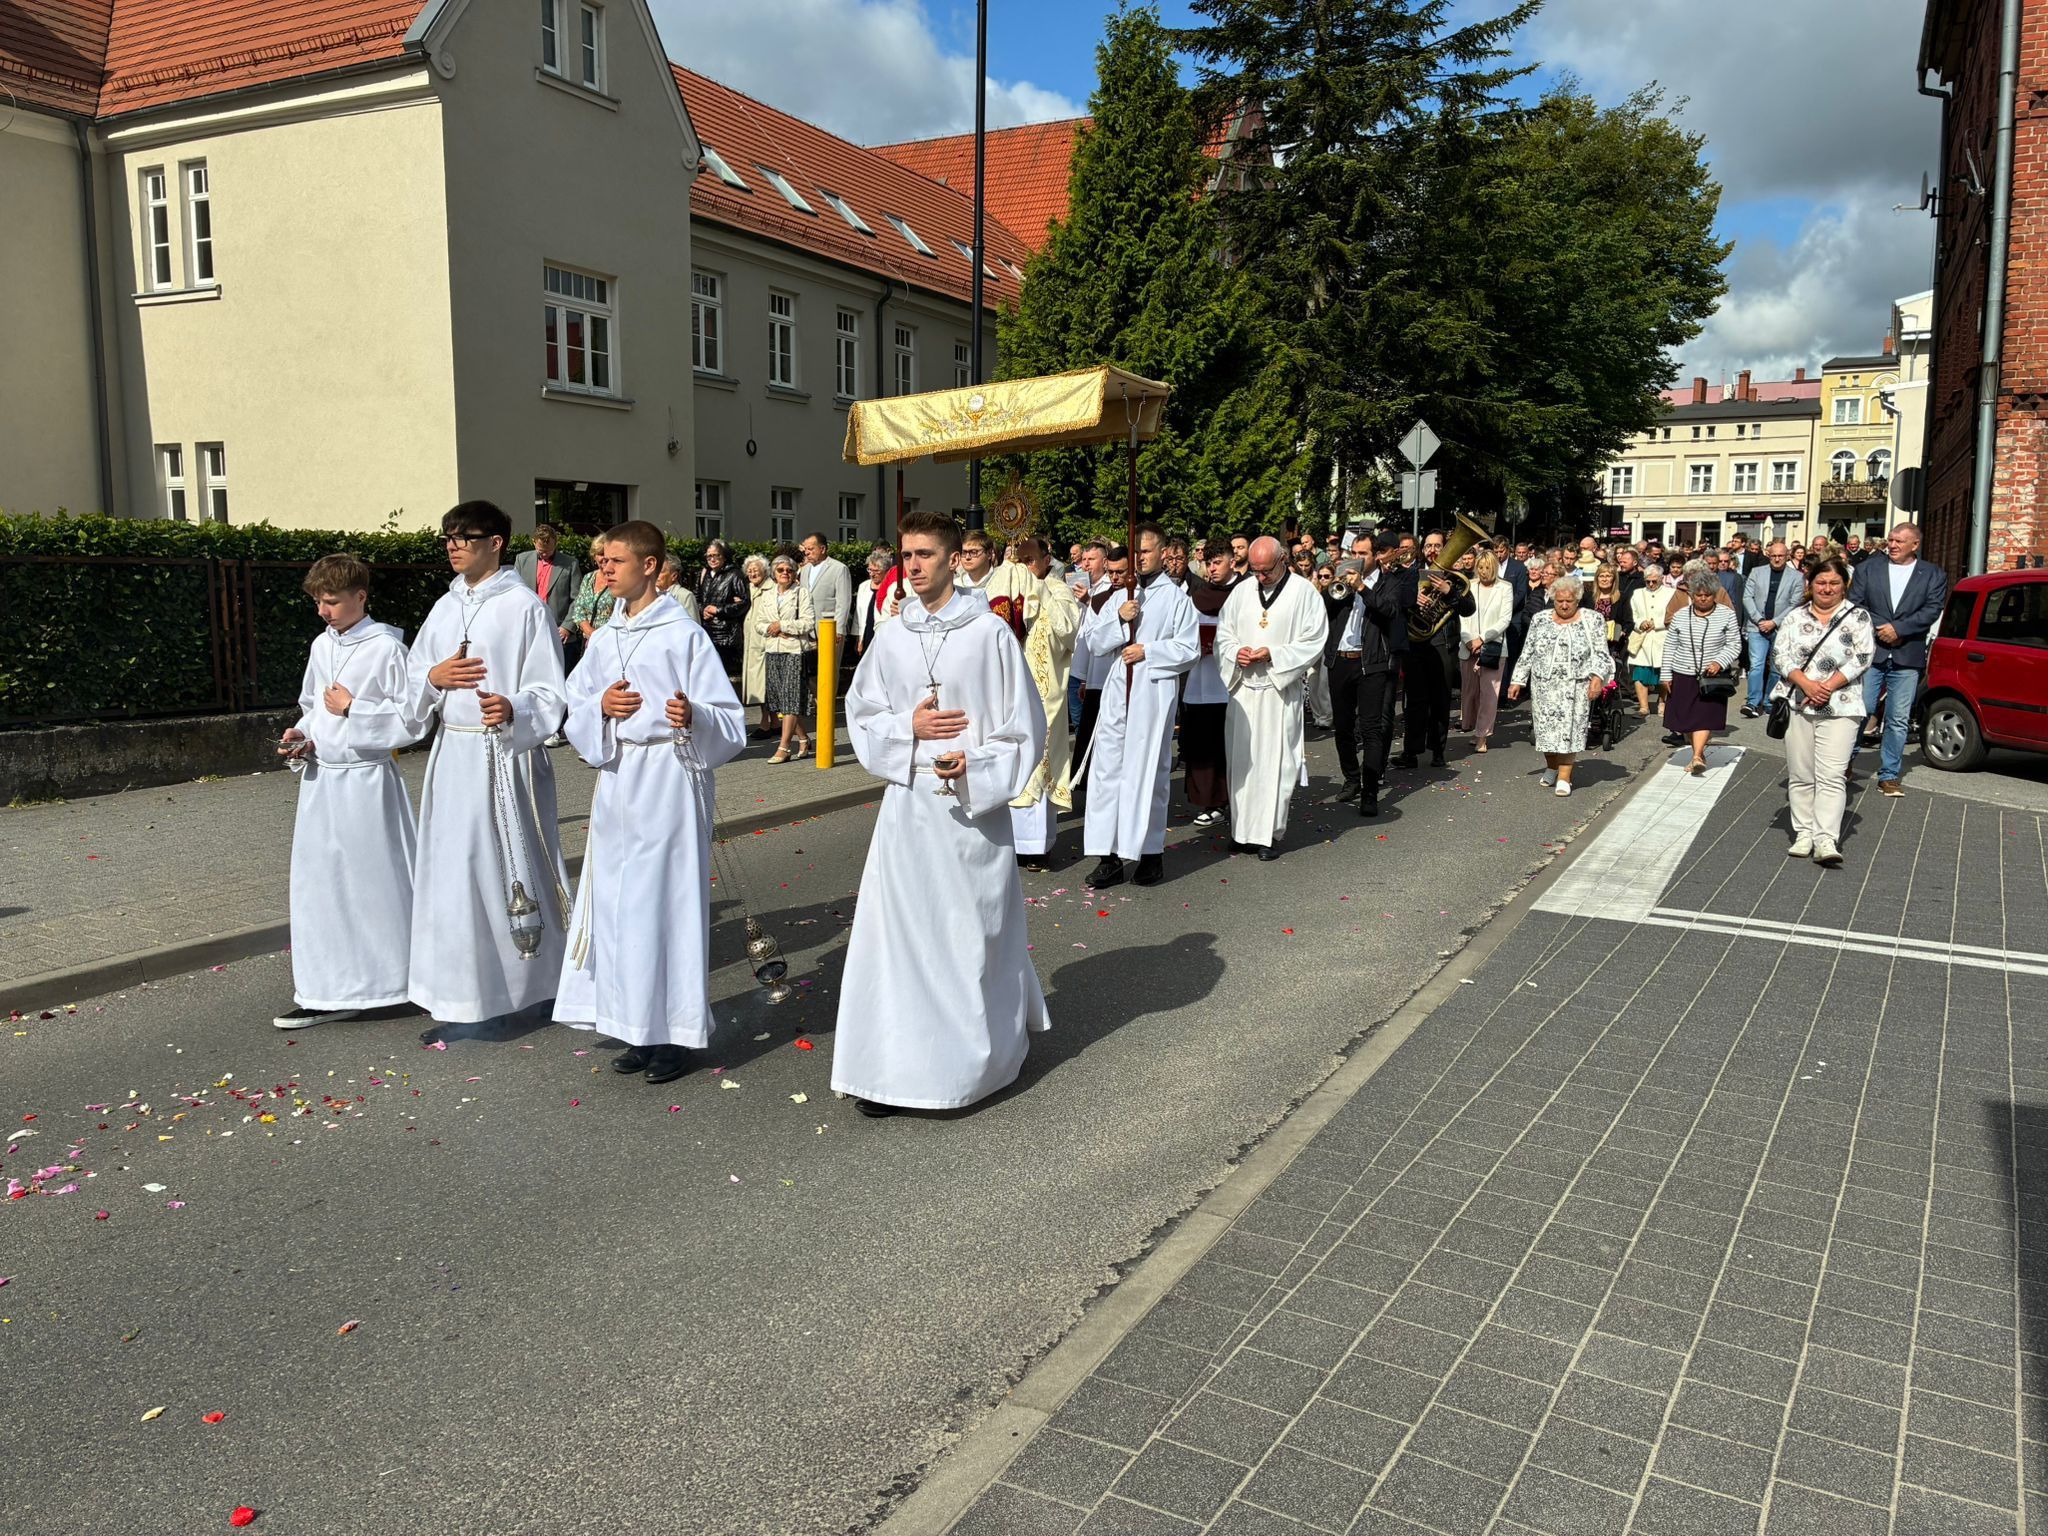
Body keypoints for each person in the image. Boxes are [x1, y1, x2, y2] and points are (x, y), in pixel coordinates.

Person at [832, 510, 1049, 1117]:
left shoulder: (990, 635)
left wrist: (972, 763)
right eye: (907, 554)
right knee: (898, 938)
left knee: (962, 936)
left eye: (926, 553)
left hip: (969, 814)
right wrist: (910, 726)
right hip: (907, 809)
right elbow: (864, 712)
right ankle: (891, 1069)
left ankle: (964, 1067)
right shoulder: (892, 634)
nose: (914, 565)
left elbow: (1022, 729)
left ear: (956, 559)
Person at [555, 522, 746, 1084]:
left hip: (669, 773)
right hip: (617, 776)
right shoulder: (607, 636)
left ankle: (673, 1034)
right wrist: (601, 708)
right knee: (617, 902)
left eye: (615, 561)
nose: (604, 569)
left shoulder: (682, 634)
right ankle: (633, 1024)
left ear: (650, 565)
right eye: (602, 561)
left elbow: (726, 719)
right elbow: (576, 703)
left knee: (664, 903)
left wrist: (696, 715)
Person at [404, 501, 571, 1028]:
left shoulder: (523, 606)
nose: (452, 545)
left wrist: (514, 708)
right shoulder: (444, 607)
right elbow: (412, 680)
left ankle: (532, 983)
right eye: (447, 536)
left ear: (496, 542)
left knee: (506, 865)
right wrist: (434, 677)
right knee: (454, 871)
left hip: (503, 754)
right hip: (453, 753)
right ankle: (461, 988)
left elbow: (549, 689)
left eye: (463, 536)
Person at [273, 554, 421, 1030]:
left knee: (374, 886)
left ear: (361, 596)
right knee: (322, 889)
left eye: (332, 601)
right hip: (323, 780)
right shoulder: (322, 645)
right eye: (318, 601)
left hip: (368, 782)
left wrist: (355, 709)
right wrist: (303, 735)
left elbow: (412, 722)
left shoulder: (387, 649)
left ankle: (397, 982)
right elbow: (314, 705)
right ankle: (327, 988)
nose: (323, 611)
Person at [1080, 525, 1199, 887]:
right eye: (1135, 552)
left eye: (1146, 551)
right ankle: (1109, 855)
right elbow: (1094, 642)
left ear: (1162, 553)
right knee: (1107, 771)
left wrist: (1149, 650)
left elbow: (1189, 649)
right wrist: (1120, 619)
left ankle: (1150, 854)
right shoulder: (1120, 596)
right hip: (1118, 691)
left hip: (1152, 691)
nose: (1140, 558)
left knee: (1148, 772)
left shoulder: (1177, 599)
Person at [1216, 535, 1328, 860]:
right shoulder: (1241, 591)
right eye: (1255, 570)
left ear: (1282, 561)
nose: (1260, 577)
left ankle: (1267, 835)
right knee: (1242, 763)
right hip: (1245, 693)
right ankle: (1241, 832)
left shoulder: (1304, 593)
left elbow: (1314, 639)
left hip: (1279, 692)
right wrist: (1237, 652)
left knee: (1276, 764)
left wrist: (1274, 655)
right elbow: (1224, 632)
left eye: (1266, 570)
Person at [1773, 557, 1876, 867]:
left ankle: (1825, 838)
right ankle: (1803, 833)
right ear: (1810, 585)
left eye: (1833, 583)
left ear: (1844, 585)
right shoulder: (1795, 617)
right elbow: (1781, 655)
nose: (1827, 588)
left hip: (1842, 705)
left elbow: (1863, 656)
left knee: (1831, 775)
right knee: (1801, 773)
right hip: (1799, 703)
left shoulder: (1858, 617)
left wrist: (1827, 686)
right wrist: (1806, 683)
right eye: (1821, 582)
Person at [989, 537, 1079, 871]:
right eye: (1020, 559)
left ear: (1046, 559)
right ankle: (1009, 842)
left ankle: (1036, 846)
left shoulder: (1058, 589)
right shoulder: (1008, 585)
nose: (1026, 566)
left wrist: (1039, 593)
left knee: (1038, 758)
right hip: (1010, 688)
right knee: (1012, 755)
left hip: (1045, 688)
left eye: (1031, 560)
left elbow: (1070, 630)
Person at [1849, 523, 1949, 796]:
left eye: (1899, 541)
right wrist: (1885, 629)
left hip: (1907, 654)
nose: (1892, 545)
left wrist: (1901, 630)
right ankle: (1846, 761)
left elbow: (1932, 609)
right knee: (1861, 709)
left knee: (1898, 718)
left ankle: (1889, 774)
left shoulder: (1932, 574)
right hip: (1873, 651)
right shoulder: (1868, 569)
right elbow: (1856, 603)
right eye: (1890, 540)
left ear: (1914, 545)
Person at [1507, 575, 1613, 797]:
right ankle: (1552, 766)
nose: (1564, 605)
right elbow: (1528, 651)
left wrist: (1596, 679)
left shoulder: (1592, 619)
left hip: (1576, 685)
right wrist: (1517, 680)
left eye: (1570, 601)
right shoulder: (1540, 619)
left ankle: (1565, 776)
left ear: (1578, 600)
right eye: (1559, 601)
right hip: (1544, 685)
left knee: (1570, 731)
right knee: (1545, 732)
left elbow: (1602, 654)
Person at [1394, 544, 1473, 768]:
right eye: (1428, 545)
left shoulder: (1457, 580)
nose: (1433, 550)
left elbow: (1469, 608)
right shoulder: (1410, 574)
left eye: (1438, 545)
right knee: (1414, 701)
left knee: (1440, 699)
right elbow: (1396, 601)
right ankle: (1411, 751)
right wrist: (1411, 597)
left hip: (1442, 645)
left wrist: (1450, 592)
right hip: (1415, 644)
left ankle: (1438, 750)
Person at [1661, 569, 1741, 775]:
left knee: (1704, 717)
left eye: (1707, 595)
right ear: (1692, 595)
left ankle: (1697, 756)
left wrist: (1719, 662)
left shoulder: (1727, 614)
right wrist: (1665, 674)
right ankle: (1699, 750)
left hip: (1712, 677)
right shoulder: (1680, 616)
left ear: (1714, 595)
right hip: (1682, 672)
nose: (1703, 599)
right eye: (1699, 595)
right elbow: (1670, 646)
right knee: (1685, 721)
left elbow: (1734, 644)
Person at [1182, 543, 1237, 830]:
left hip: (1231, 681)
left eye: (1218, 562)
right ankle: (1211, 801)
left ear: (1232, 561)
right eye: (1209, 563)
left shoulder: (1244, 592)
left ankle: (1233, 797)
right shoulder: (1197, 595)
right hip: (1201, 677)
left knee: (1228, 743)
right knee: (1203, 742)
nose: (1212, 568)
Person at [757, 552, 817, 763]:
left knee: (791, 698)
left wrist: (783, 625)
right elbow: (759, 623)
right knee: (782, 701)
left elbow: (809, 623)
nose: (785, 573)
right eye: (781, 570)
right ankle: (803, 739)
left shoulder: (802, 593)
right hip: (773, 649)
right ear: (774, 573)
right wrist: (771, 629)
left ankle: (784, 747)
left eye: (789, 570)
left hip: (794, 650)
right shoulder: (767, 594)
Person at [1740, 540, 1805, 721]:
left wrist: (1775, 622)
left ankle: (1770, 700)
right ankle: (1753, 701)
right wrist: (1759, 620)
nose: (1777, 559)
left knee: (1777, 668)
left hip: (1781, 628)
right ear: (1769, 555)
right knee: (1756, 666)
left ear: (1787, 556)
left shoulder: (1796, 577)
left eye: (1781, 556)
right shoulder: (1757, 572)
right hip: (1757, 626)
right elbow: (1747, 596)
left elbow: (1795, 604)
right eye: (1774, 555)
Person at [1458, 548, 1513, 753]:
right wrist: (1469, 640)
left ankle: (1483, 735)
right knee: (1470, 693)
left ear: (1495, 567)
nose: (1483, 571)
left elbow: (1504, 619)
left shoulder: (1505, 587)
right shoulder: (1468, 586)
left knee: (1489, 694)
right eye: (1480, 567)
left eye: (1487, 567)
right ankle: (1473, 727)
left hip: (1493, 647)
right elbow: (1462, 617)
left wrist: (1482, 638)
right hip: (1468, 647)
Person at [1070, 541, 1117, 773]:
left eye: (1091, 559)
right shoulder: (1081, 585)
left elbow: (1105, 629)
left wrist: (1089, 601)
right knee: (1083, 727)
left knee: (1098, 730)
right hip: (1083, 667)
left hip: (1103, 671)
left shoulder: (1110, 588)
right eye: (1084, 559)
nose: (1086, 564)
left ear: (1104, 561)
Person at [515, 523, 580, 663]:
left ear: (555, 543)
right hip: (529, 631)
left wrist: (567, 627)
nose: (544, 555)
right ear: (533, 542)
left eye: (548, 551)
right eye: (540, 551)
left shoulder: (571, 564)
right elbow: (515, 594)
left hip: (560, 634)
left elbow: (577, 599)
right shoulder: (521, 560)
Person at [798, 531, 854, 678]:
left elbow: (844, 601)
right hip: (809, 628)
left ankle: (829, 700)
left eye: (811, 549)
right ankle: (815, 699)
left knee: (829, 669)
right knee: (811, 668)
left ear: (822, 549)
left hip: (830, 626)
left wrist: (839, 628)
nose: (807, 552)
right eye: (806, 549)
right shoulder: (805, 570)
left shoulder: (839, 568)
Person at [694, 539, 748, 681]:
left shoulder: (734, 574)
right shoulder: (703, 574)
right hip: (707, 632)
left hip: (727, 636)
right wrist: (703, 610)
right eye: (709, 556)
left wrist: (718, 610)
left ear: (724, 556)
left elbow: (744, 603)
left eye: (716, 555)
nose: (712, 559)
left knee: (727, 678)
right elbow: (696, 598)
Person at [1627, 562, 1670, 720]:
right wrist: (1641, 623)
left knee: (1662, 673)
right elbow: (1634, 614)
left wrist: (1657, 623)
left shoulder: (1670, 593)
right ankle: (1643, 706)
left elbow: (1672, 615)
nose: (1651, 584)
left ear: (1661, 579)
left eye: (1654, 581)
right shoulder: (1637, 593)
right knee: (1640, 672)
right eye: (1648, 581)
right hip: (1643, 638)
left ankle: (1662, 702)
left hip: (1662, 637)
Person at [739, 554, 775, 736]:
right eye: (749, 571)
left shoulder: (771, 588)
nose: (752, 573)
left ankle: (765, 723)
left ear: (765, 571)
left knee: (764, 684)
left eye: (756, 569)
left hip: (764, 643)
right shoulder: (750, 589)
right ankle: (774, 722)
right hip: (752, 644)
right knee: (760, 684)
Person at [853, 547, 899, 655]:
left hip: (882, 635)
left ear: (887, 571)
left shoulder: (892, 588)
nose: (872, 574)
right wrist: (859, 639)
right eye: (869, 570)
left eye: (877, 571)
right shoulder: (863, 587)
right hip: (866, 634)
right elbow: (858, 614)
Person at [655, 553, 701, 621]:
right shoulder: (652, 594)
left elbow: (694, 626)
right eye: (656, 570)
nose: (656, 574)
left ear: (674, 576)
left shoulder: (685, 596)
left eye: (661, 571)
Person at [954, 528, 999, 594]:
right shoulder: (955, 586)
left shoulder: (1001, 582)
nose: (967, 557)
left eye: (973, 552)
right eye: (964, 552)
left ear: (989, 554)